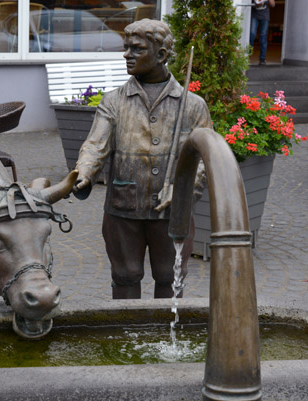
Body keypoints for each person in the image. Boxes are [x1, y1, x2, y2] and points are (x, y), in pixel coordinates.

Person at [72, 19, 211, 299]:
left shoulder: (194, 105)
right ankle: (124, 337)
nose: (127, 54)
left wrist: (183, 189)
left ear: (160, 55)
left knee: (170, 277)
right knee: (124, 276)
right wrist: (83, 173)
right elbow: (95, 145)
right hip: (123, 209)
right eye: (126, 48)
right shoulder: (113, 101)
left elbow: (206, 159)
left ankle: (165, 337)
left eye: (136, 49)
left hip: (172, 213)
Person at [250, 0, 276, 65]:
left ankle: (262, 58)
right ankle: (247, 55)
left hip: (265, 16)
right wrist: (256, 4)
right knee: (252, 34)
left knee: (263, 37)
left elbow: (273, 5)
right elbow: (248, 4)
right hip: (254, 16)